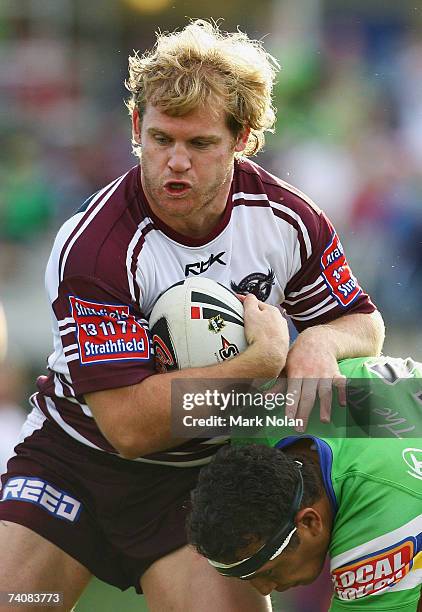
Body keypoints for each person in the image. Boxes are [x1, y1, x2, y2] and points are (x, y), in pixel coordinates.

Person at [0, 19, 384, 611]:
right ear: (136, 128)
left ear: (243, 139)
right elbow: (128, 427)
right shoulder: (99, 245)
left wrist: (323, 344)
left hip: (198, 481)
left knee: (385, 409)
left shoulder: (287, 220)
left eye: (200, 144)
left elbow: (365, 323)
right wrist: (261, 362)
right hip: (76, 461)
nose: (174, 163)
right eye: (160, 139)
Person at [187, 387, 422, 610]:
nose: (264, 590)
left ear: (309, 522)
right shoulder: (256, 427)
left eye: (268, 572)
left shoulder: (381, 522)